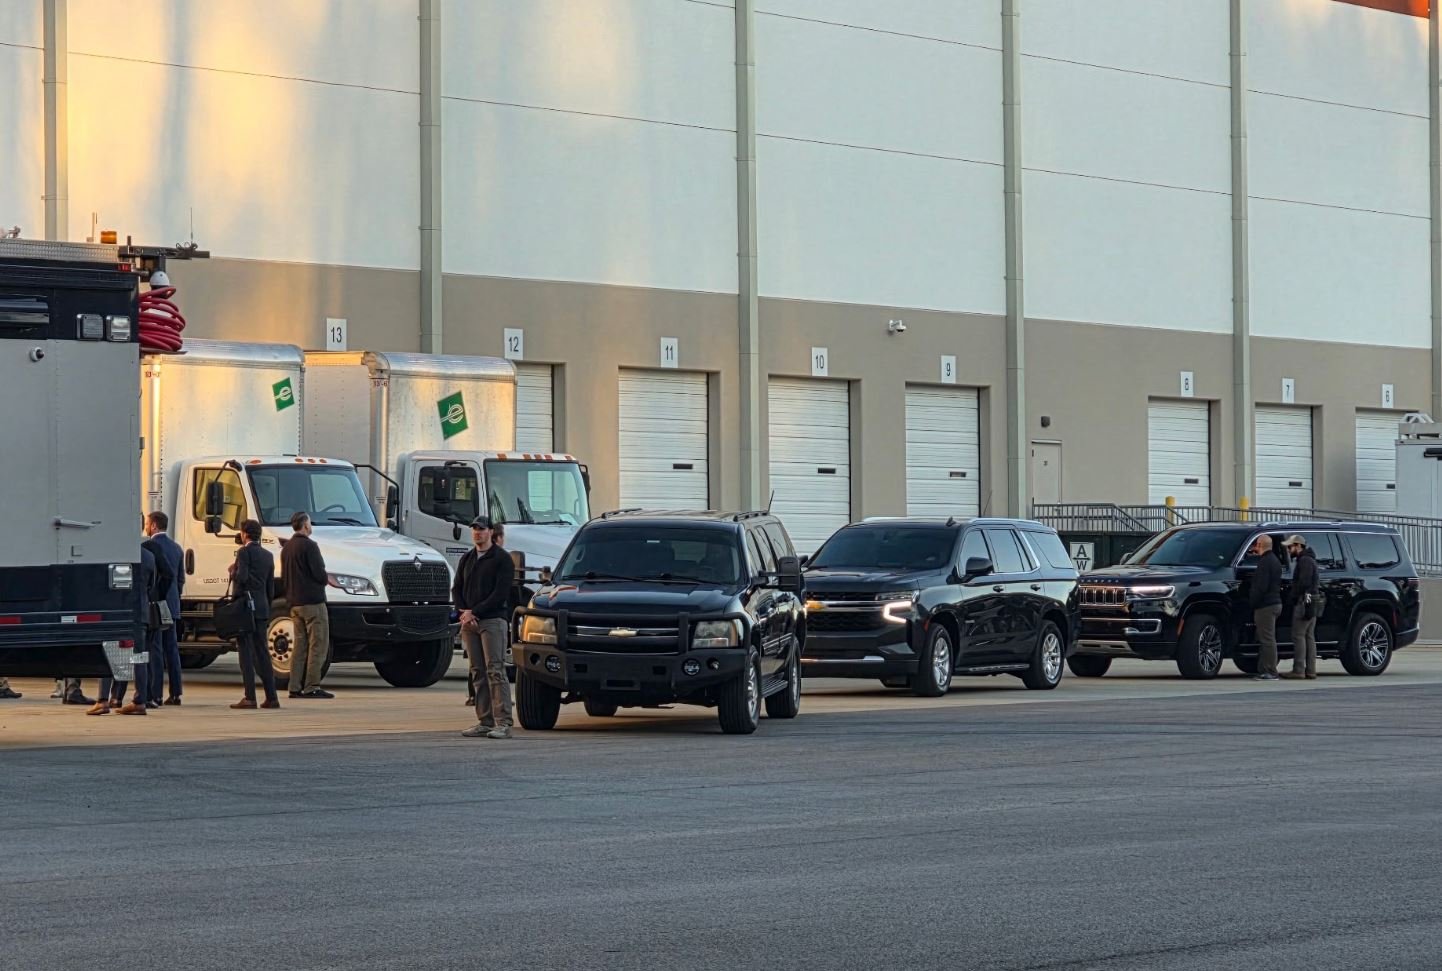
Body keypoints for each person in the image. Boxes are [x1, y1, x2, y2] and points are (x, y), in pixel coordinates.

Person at [454, 516, 515, 739]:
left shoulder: (502, 559)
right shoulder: (467, 558)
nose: (477, 533)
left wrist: (475, 612)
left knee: (495, 670)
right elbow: (457, 587)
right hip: (469, 623)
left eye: (481, 529)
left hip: (492, 621)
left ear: (491, 532)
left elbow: (500, 594)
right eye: (474, 529)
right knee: (477, 671)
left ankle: (503, 722)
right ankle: (484, 720)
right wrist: (463, 611)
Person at [91, 542, 159, 716]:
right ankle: (139, 701)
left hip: (118, 611)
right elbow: (152, 585)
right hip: (141, 612)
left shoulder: (115, 553)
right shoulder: (149, 556)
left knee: (108, 655)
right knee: (139, 657)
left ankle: (102, 700)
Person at [230, 519, 281, 709]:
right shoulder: (268, 556)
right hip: (261, 608)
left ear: (245, 534)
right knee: (263, 653)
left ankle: (250, 697)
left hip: (245, 608)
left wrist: (234, 571)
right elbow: (270, 588)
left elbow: (242, 577)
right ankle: (272, 696)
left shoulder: (244, 552)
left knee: (245, 653)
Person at [282, 511, 333, 699]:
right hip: (313, 603)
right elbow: (320, 575)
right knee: (318, 645)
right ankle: (312, 686)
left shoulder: (287, 548)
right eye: (310, 523)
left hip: (295, 603)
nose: (311, 526)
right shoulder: (310, 547)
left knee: (299, 646)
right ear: (305, 525)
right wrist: (325, 578)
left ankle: (294, 686)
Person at [145, 512, 185, 706]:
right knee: (172, 650)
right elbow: (180, 580)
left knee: (156, 649)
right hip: (173, 604)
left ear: (153, 525)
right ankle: (176, 692)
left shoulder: (150, 548)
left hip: (156, 603)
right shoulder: (177, 548)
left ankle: (156, 693)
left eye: (147, 523)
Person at [1283, 534, 1320, 681]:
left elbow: (1303, 582)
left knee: (1298, 636)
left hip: (1304, 602)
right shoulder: (1311, 560)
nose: (1288, 550)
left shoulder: (1304, 561)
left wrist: (1293, 596)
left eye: (1290, 547)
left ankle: (1298, 670)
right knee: (1309, 636)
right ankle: (1311, 670)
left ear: (1298, 546)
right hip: (1313, 602)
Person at [1249, 534, 1284, 682]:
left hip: (1266, 605)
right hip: (1275, 603)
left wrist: (1253, 602)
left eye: (1256, 545)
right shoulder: (1274, 561)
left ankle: (1271, 671)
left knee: (1267, 639)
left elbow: (1260, 586)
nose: (1255, 548)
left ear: (1260, 545)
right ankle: (1264, 670)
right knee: (1267, 638)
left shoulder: (1265, 562)